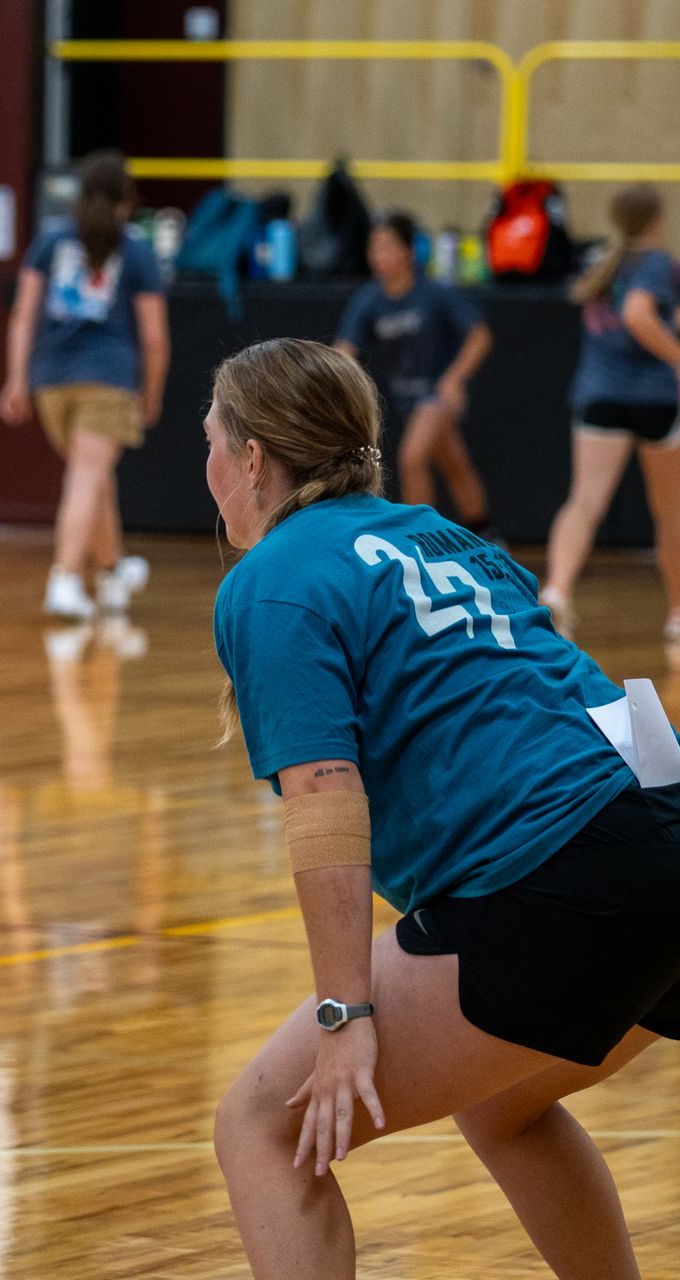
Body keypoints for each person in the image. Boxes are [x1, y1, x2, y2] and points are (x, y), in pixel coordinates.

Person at [205, 336, 680, 1279]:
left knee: (262, 1127)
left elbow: (324, 799)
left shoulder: (276, 577)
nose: (207, 466)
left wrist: (345, 1013)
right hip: (662, 833)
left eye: (211, 442)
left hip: (562, 874)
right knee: (504, 1106)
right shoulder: (442, 536)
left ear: (253, 458)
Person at [0, 150, 169, 620]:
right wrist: (152, 392)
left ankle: (112, 573)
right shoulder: (136, 251)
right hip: (108, 378)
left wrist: (17, 379)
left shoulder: (50, 240)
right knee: (87, 478)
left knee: (93, 479)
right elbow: (154, 338)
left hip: (51, 379)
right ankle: (65, 579)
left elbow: (22, 315)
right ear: (126, 199)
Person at [540, 184, 680, 641]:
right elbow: (639, 315)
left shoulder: (603, 261)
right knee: (670, 513)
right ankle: (677, 613)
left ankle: (558, 591)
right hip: (654, 399)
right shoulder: (656, 263)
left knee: (584, 503)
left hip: (600, 396)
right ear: (657, 219)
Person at [334, 211, 496, 538]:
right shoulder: (369, 299)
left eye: (387, 246)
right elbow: (344, 350)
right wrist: (330, 375)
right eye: (373, 247)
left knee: (412, 457)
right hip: (407, 398)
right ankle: (486, 533)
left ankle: (420, 540)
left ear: (408, 251)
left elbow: (480, 335)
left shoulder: (433, 293)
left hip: (437, 393)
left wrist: (454, 378)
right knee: (454, 462)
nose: (378, 255)